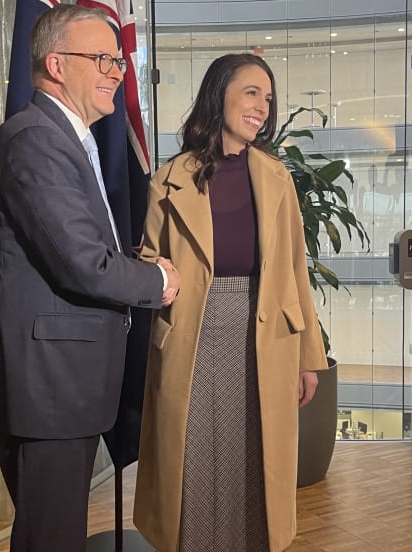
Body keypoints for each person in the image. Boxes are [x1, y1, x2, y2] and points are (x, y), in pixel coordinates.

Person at [0, 3, 179, 552]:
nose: (116, 71)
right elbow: (82, 262)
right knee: (50, 540)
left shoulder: (63, 139)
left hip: (60, 384)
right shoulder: (35, 139)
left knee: (53, 535)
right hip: (47, 387)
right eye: (103, 58)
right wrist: (156, 281)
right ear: (56, 64)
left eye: (119, 62)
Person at [132, 53, 328, 552]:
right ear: (219, 93)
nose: (262, 106)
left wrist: (310, 357)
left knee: (255, 455)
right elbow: (149, 263)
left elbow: (295, 273)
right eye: (250, 92)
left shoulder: (277, 177)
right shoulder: (169, 179)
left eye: (268, 96)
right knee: (193, 455)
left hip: (264, 329)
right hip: (192, 329)